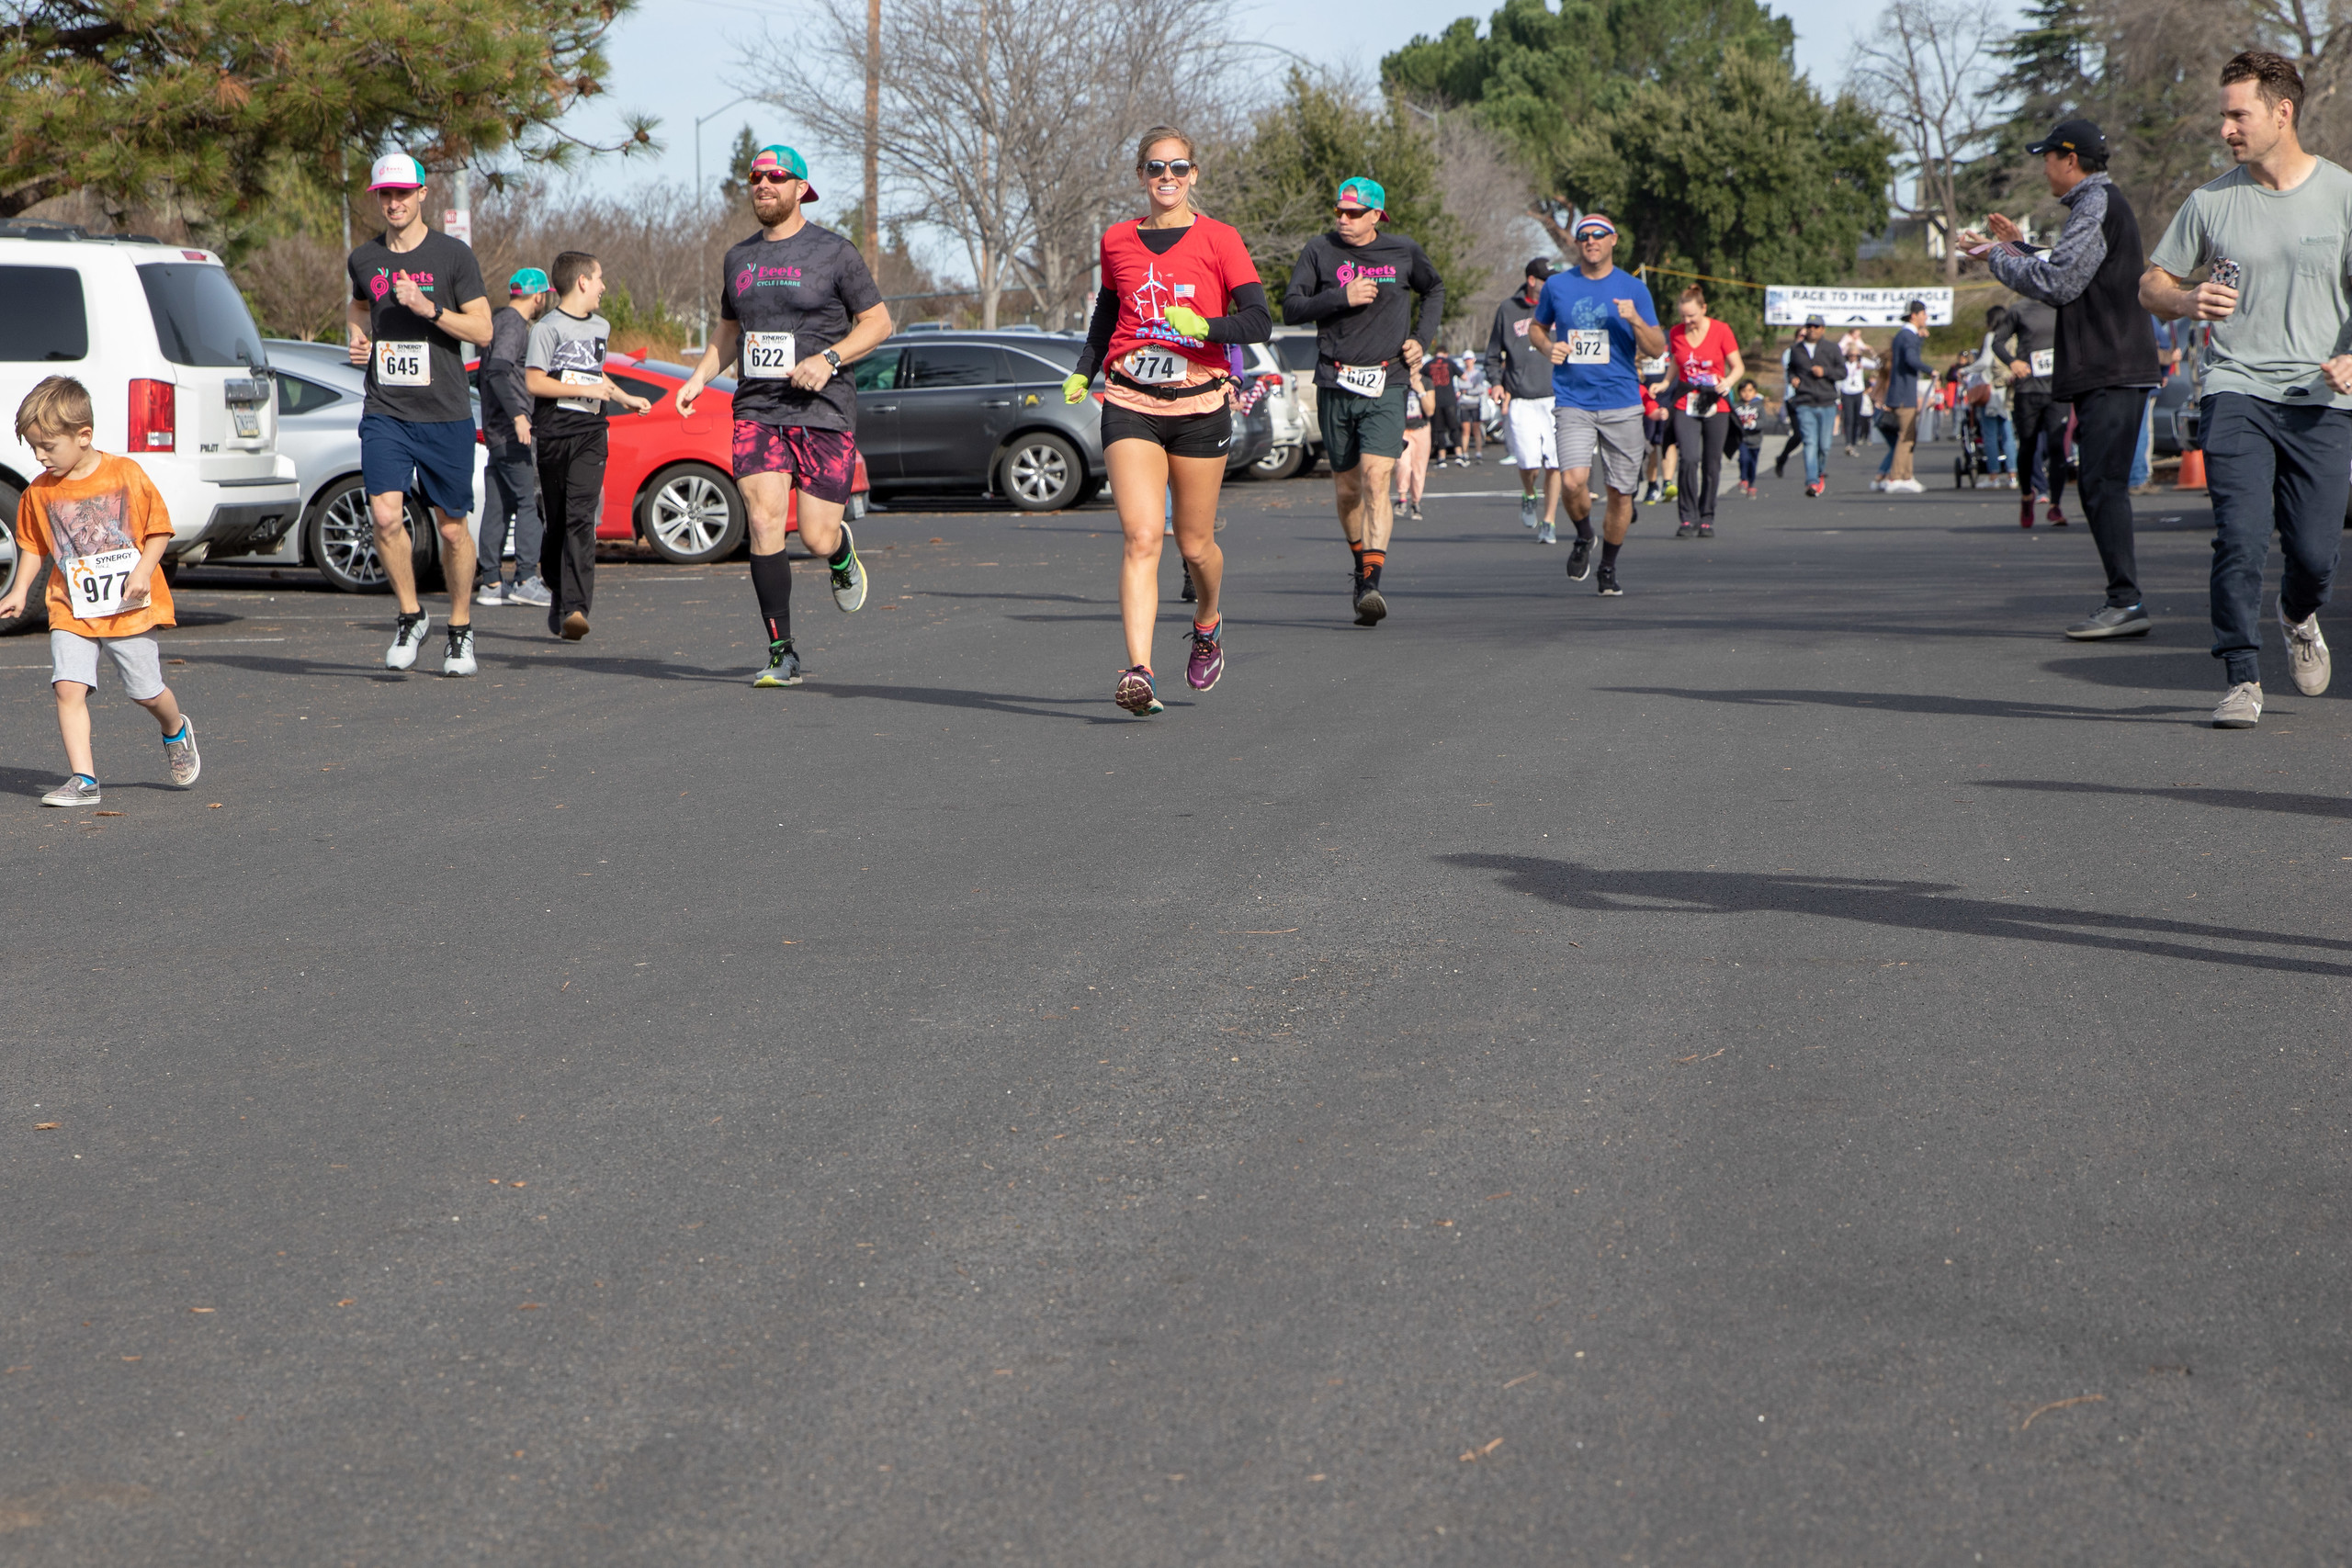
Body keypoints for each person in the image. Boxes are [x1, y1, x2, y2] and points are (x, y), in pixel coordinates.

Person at [2143, 50, 2352, 728]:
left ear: (2282, 112)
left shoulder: (2342, 193)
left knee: (2316, 556)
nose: (2226, 127)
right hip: (2234, 387)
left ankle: (2297, 613)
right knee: (2238, 533)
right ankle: (2240, 675)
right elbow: (2152, 283)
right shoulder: (2210, 200)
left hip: (2321, 399)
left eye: (2239, 114)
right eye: (2224, 114)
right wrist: (2184, 298)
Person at [1067, 127, 1269, 713]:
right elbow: (1108, 310)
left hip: (1200, 401)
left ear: (1193, 176)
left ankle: (1207, 622)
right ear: (1140, 176)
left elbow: (1258, 321)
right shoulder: (1117, 241)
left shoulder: (1219, 239)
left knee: (1196, 543)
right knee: (1140, 536)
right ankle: (1139, 670)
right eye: (1156, 168)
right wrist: (1086, 368)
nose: (1167, 179)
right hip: (1130, 397)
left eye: (1178, 169)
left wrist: (1208, 327)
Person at [676, 146, 891, 688]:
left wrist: (829, 358)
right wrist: (700, 377)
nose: (764, 184)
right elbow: (729, 331)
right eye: (756, 177)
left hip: (823, 410)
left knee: (815, 537)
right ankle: (782, 652)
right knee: (765, 518)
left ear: (801, 188)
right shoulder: (738, 259)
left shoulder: (834, 253)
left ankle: (840, 552)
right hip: (757, 407)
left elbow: (879, 323)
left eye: (777, 176)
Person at [1961, 117, 2162, 641]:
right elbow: (2071, 266)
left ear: (2070, 160)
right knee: (2098, 483)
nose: (2044, 168)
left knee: (2101, 484)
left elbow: (2060, 282)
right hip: (2110, 364)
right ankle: (2124, 599)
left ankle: (2126, 601)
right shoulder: (2096, 205)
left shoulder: (2096, 204)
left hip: (2113, 366)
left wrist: (1995, 256)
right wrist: (2020, 249)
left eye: (2047, 158)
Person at [0, 376, 200, 806]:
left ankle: (174, 729)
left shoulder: (125, 474)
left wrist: (144, 572)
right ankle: (84, 780)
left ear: (83, 436)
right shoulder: (38, 492)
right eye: (33, 447)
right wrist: (19, 590)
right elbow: (33, 546)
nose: (39, 456)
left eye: (48, 446)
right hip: (70, 606)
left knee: (145, 691)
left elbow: (159, 530)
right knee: (67, 687)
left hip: (128, 607)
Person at [345, 152, 495, 675]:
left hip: (444, 412)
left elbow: (483, 331)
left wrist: (427, 307)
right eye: (385, 195)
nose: (393, 203)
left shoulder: (453, 257)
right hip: (385, 408)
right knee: (385, 513)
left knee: (453, 529)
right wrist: (358, 337)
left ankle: (459, 629)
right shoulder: (364, 258)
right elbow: (359, 305)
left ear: (423, 194)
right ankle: (411, 616)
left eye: (402, 194)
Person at [1282, 176, 1445, 626]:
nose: (1343, 220)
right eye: (1339, 211)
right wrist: (1340, 296)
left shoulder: (1403, 251)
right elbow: (1291, 308)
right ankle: (1359, 567)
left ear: (1377, 215)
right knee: (1348, 489)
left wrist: (1420, 340)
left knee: (1377, 479)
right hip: (1336, 382)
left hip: (1388, 381)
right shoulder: (1319, 251)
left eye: (1353, 213)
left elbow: (1435, 290)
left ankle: (1371, 583)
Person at [1527, 213, 1667, 594]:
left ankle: (1608, 566)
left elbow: (1657, 348)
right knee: (1573, 482)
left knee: (1622, 494)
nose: (1591, 241)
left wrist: (1636, 319)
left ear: (1613, 240)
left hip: (1622, 402)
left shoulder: (1633, 288)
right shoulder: (1557, 286)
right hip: (1573, 400)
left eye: (1599, 235)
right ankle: (1584, 535)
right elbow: (1537, 327)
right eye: (1584, 236)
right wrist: (1547, 346)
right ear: (1577, 243)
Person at [521, 252, 653, 642]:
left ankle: (577, 609)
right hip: (553, 435)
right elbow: (534, 382)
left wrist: (624, 396)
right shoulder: (546, 329)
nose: (603, 286)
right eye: (599, 278)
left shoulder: (601, 325)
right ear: (581, 281)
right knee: (558, 522)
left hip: (591, 433)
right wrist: (585, 389)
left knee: (582, 519)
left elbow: (596, 374)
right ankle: (559, 593)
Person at [474, 266, 553, 610]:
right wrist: (519, 416)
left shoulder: (497, 322)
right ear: (538, 295)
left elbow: (483, 375)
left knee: (499, 505)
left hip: (497, 432)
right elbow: (496, 371)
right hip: (513, 432)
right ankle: (525, 578)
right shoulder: (513, 326)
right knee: (529, 503)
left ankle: (491, 582)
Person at [1487, 257, 1562, 539]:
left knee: (1554, 463)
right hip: (1520, 399)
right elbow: (1493, 355)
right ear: (1532, 281)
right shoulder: (1508, 309)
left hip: (1556, 397)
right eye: (1547, 280)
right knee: (1529, 463)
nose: (1552, 284)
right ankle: (1529, 493)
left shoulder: (1559, 305)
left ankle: (1550, 521)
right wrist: (1496, 383)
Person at [1663, 287, 1744, 538]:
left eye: (1692, 317)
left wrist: (1728, 382)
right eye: (1683, 317)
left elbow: (1738, 366)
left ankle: (1706, 516)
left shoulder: (1721, 330)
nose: (1686, 322)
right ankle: (1687, 518)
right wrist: (1665, 383)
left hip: (1715, 402)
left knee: (1711, 463)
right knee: (1688, 458)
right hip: (1686, 401)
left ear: (1704, 308)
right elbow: (1677, 361)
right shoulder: (1676, 333)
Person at [1989, 295, 2067, 524]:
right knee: (2028, 446)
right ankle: (2026, 496)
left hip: (2058, 389)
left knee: (2057, 446)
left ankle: (2055, 506)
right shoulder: (2020, 309)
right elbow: (1997, 342)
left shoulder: (2063, 304)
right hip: (2028, 389)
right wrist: (2012, 362)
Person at [1783, 313, 1845, 497]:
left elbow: (1842, 372)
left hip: (1826, 402)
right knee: (1810, 442)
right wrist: (1792, 378)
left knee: (1824, 445)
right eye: (1809, 326)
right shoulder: (1796, 349)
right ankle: (1811, 481)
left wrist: (1825, 372)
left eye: (1816, 326)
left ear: (1822, 329)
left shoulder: (1832, 348)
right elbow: (1790, 369)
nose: (1812, 329)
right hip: (1805, 402)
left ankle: (1820, 472)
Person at [1880, 300, 1929, 492]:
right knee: (1906, 436)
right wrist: (1930, 370)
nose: (1926, 318)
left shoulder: (1907, 336)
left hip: (1902, 392)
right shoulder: (1907, 335)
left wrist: (1920, 339)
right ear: (1914, 315)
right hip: (1903, 393)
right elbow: (1911, 359)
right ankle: (1896, 476)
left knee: (1909, 435)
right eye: (1924, 314)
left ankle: (1906, 475)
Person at [1396, 357, 1435, 520]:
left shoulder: (1426, 382)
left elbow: (1430, 410)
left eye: (1416, 364)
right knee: (1403, 464)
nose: (1413, 367)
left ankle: (1416, 502)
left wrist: (1420, 391)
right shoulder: (1400, 382)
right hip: (1404, 430)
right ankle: (1402, 498)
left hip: (1421, 429)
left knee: (1419, 468)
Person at [1838, 329, 1876, 453]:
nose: (1853, 357)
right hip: (1846, 391)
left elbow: (1877, 365)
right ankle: (1848, 442)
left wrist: (1872, 352)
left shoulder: (1862, 362)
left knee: (1856, 418)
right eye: (1851, 355)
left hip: (1858, 391)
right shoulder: (1843, 363)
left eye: (1855, 355)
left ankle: (1854, 441)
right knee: (1848, 417)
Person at [1732, 380, 1766, 496]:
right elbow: (1732, 422)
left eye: (1750, 391)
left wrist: (1753, 424)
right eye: (1743, 391)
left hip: (1755, 440)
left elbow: (1763, 422)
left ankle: (1751, 484)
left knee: (1752, 462)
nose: (1747, 394)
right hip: (1742, 439)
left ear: (1755, 392)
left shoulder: (1759, 407)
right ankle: (1743, 479)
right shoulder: (1736, 407)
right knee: (1743, 458)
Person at [1428, 350, 1461, 466]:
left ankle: (1442, 457)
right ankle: (1459, 454)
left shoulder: (1429, 363)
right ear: (1445, 353)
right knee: (1454, 428)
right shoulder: (1449, 362)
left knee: (1439, 429)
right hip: (1450, 400)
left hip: (1436, 400)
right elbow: (1464, 376)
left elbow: (1420, 377)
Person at [1458, 352, 1487, 462]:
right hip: (1464, 404)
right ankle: (1464, 453)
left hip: (1475, 403)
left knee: (1476, 429)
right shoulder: (1462, 373)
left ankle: (1478, 453)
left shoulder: (1478, 374)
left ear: (1473, 360)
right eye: (1466, 359)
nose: (1468, 361)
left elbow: (1479, 389)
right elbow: (1460, 386)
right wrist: (1469, 389)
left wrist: (1468, 390)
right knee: (1465, 430)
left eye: (1470, 359)